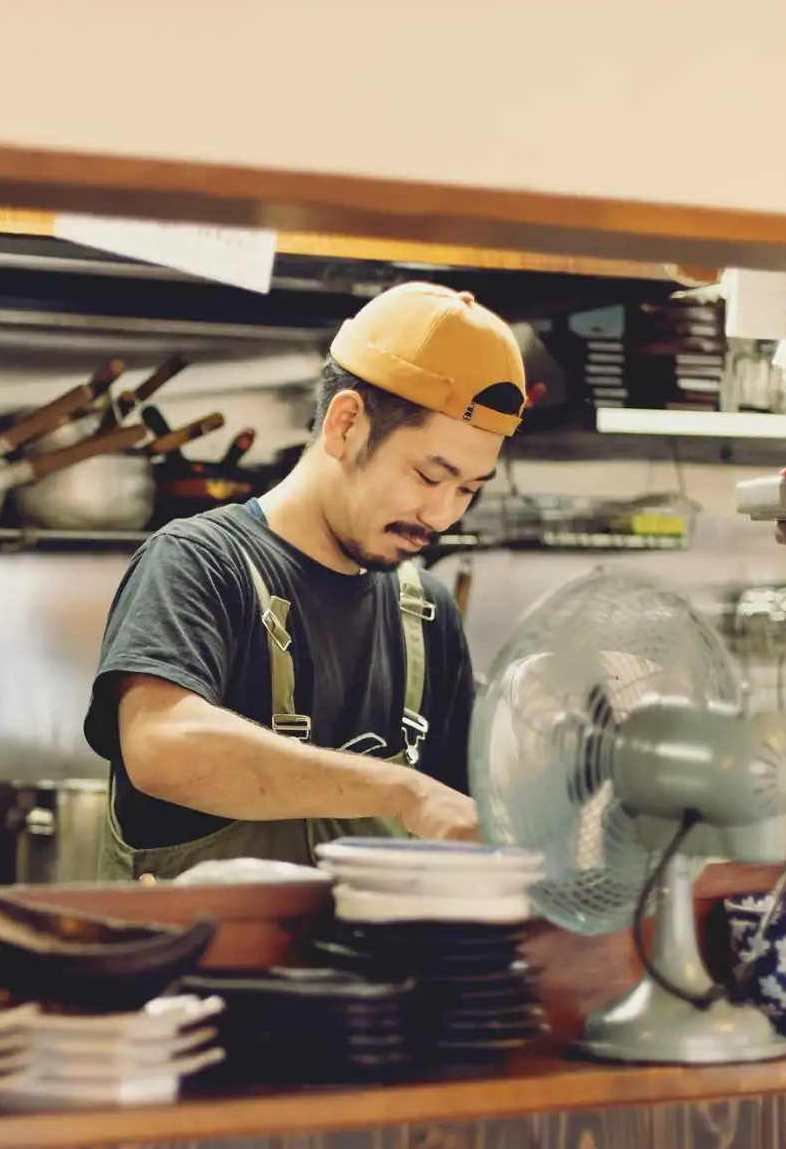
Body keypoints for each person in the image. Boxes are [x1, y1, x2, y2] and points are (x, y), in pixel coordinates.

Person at [85, 282, 527, 880]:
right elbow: (162, 747)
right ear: (346, 424)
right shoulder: (199, 564)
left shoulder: (426, 613)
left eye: (469, 489)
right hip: (199, 970)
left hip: (379, 971)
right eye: (429, 475)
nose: (443, 515)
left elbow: (468, 819)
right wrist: (401, 793)